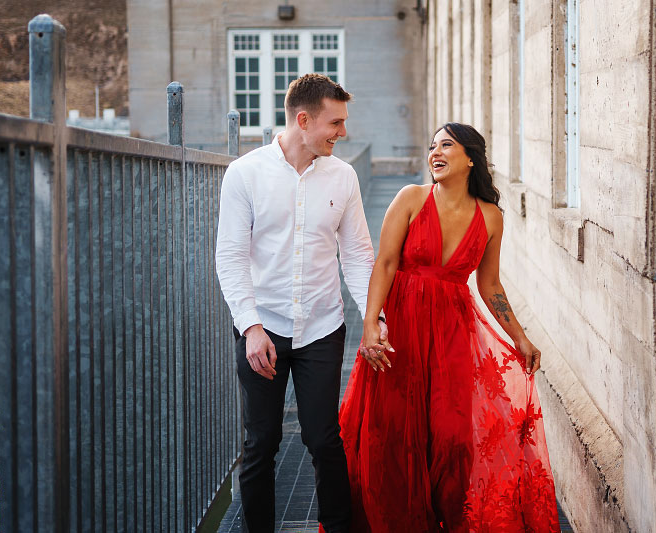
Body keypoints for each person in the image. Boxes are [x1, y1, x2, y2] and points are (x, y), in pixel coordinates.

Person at [340, 123, 561, 532]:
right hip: (402, 329)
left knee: (452, 437)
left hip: (453, 335)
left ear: (470, 158)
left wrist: (521, 337)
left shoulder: (491, 217)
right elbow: (385, 263)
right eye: (432, 146)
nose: (435, 153)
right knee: (393, 436)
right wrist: (371, 324)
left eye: (446, 145)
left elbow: (489, 283)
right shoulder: (410, 198)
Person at [216, 73, 386, 533]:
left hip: (322, 326)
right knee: (261, 444)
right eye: (336, 123)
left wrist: (374, 319)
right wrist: (250, 328)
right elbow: (229, 257)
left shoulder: (344, 176)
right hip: (261, 327)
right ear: (304, 119)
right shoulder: (245, 174)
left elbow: (356, 256)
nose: (343, 133)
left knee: (324, 439)